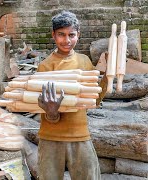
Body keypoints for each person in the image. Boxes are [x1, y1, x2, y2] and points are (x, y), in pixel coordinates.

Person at [37, 11, 101, 180]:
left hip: (79, 133)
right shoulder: (45, 66)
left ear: (78, 35)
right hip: (50, 136)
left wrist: (107, 80)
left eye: (71, 35)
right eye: (61, 35)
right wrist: (51, 112)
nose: (66, 40)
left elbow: (94, 100)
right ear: (53, 35)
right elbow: (39, 105)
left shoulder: (84, 62)